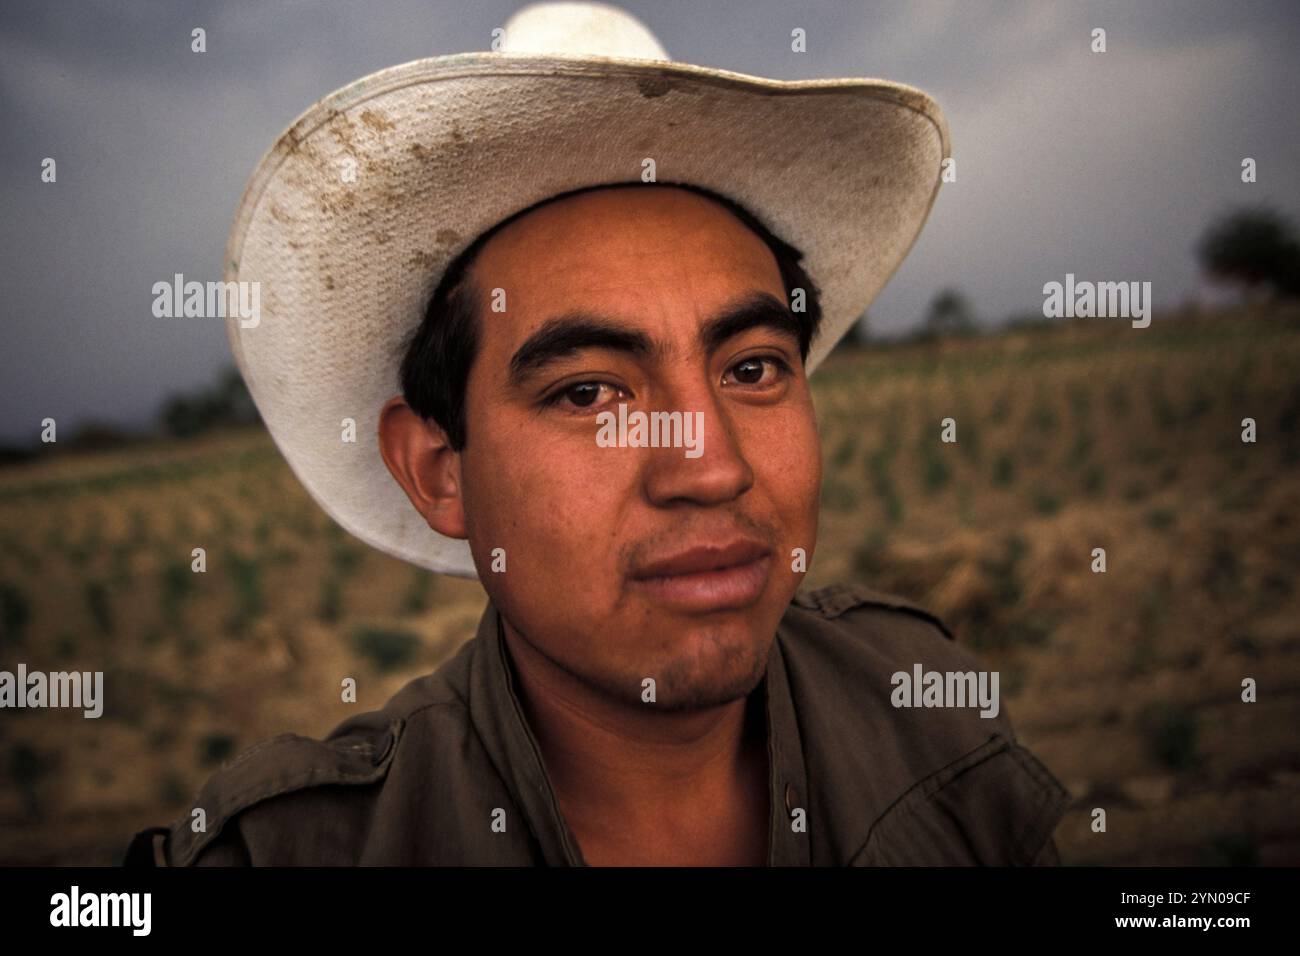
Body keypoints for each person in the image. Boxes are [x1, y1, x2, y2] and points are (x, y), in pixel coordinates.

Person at [125, 1, 1070, 867]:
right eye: (588, 394)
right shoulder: (297, 853)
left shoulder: (921, 695)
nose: (710, 466)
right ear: (440, 470)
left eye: (751, 369)